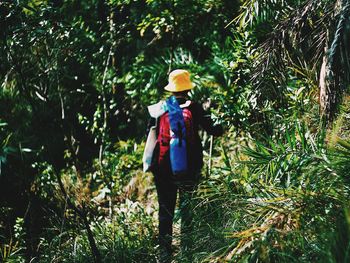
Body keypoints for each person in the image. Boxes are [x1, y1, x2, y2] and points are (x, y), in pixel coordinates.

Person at [147, 69, 223, 261]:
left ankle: (165, 254)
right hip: (190, 168)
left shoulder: (160, 109)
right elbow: (216, 130)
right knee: (187, 209)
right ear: (187, 88)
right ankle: (187, 252)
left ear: (171, 89)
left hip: (163, 169)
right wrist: (214, 113)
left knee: (165, 210)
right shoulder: (195, 108)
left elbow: (149, 137)